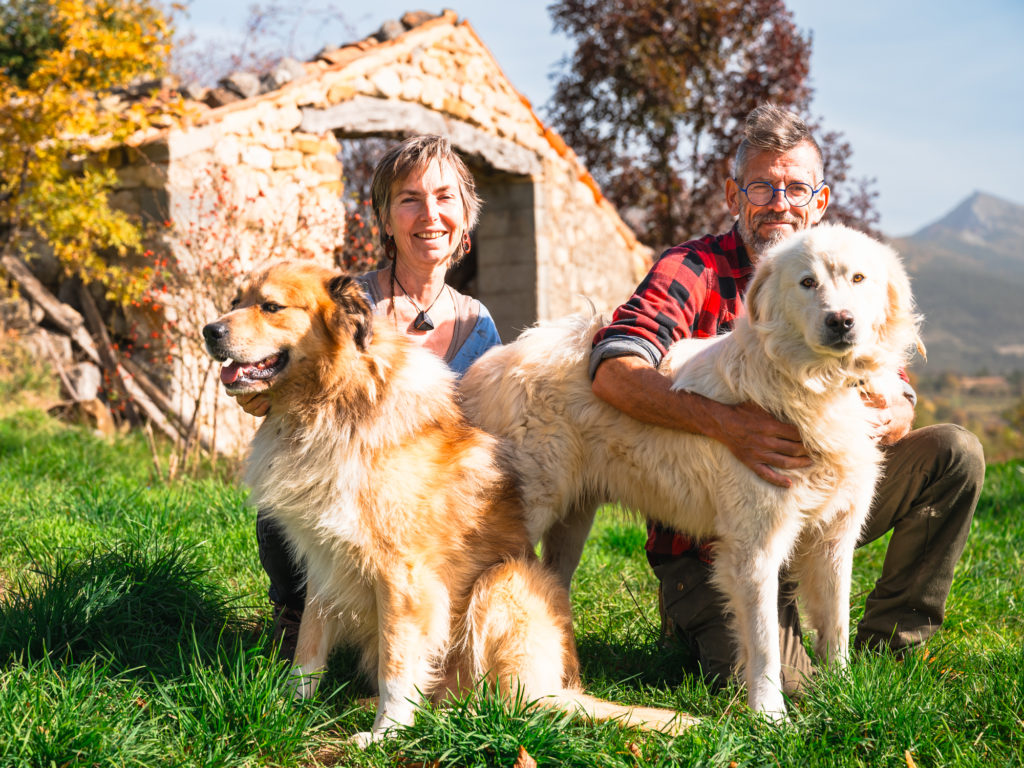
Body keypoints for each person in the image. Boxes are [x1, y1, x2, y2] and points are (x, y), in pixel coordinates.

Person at [589, 104, 985, 692]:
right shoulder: (691, 267)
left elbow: (885, 361)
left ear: (818, 201)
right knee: (791, 692)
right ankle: (697, 616)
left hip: (816, 499)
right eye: (763, 186)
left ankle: (888, 648)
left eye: (796, 186)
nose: (780, 201)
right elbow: (613, 371)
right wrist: (726, 424)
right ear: (733, 195)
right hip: (710, 538)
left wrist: (898, 407)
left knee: (954, 452)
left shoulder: (849, 267)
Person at [235, 135, 503, 655]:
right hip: (334, 499)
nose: (430, 213)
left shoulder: (479, 324)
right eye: (409, 199)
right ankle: (298, 619)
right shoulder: (344, 301)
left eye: (446, 198)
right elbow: (280, 380)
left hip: (418, 524)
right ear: (384, 218)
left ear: (466, 217)